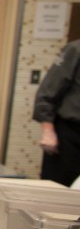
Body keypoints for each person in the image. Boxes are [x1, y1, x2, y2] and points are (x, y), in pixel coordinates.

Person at [33, 38, 80, 186]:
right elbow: (47, 92)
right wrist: (48, 131)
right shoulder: (75, 49)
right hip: (71, 134)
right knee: (57, 189)